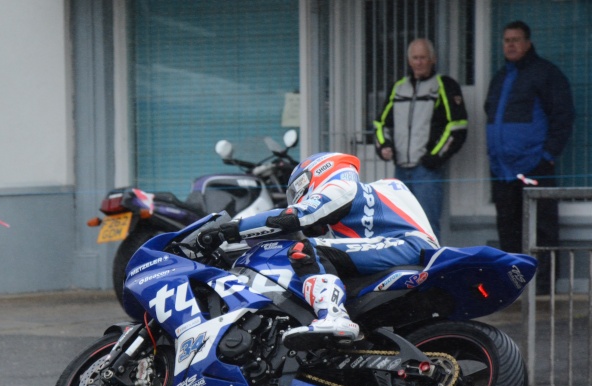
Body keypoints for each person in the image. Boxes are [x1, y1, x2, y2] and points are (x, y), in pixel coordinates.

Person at [201, 152, 439, 349]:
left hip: (407, 245)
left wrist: (230, 230)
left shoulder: (342, 186)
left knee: (306, 250)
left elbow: (293, 216)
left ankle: (333, 317)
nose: (298, 199)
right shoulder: (370, 197)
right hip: (402, 248)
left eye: (297, 193)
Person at [484, 21, 574, 292]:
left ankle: (544, 290)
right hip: (502, 171)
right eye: (506, 40)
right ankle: (514, 291)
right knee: (509, 233)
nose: (510, 44)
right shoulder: (500, 77)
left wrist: (546, 156)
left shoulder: (546, 74)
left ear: (528, 42)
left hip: (534, 167)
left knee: (542, 230)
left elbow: (563, 116)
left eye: (516, 39)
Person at [373, 38, 468, 240]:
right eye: (415, 58)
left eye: (423, 57)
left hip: (427, 171)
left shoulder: (444, 85)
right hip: (400, 170)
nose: (418, 62)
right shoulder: (398, 87)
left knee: (427, 228)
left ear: (432, 59)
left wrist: (434, 157)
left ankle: (431, 270)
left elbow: (458, 127)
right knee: (399, 226)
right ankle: (407, 270)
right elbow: (381, 124)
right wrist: (384, 146)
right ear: (409, 61)